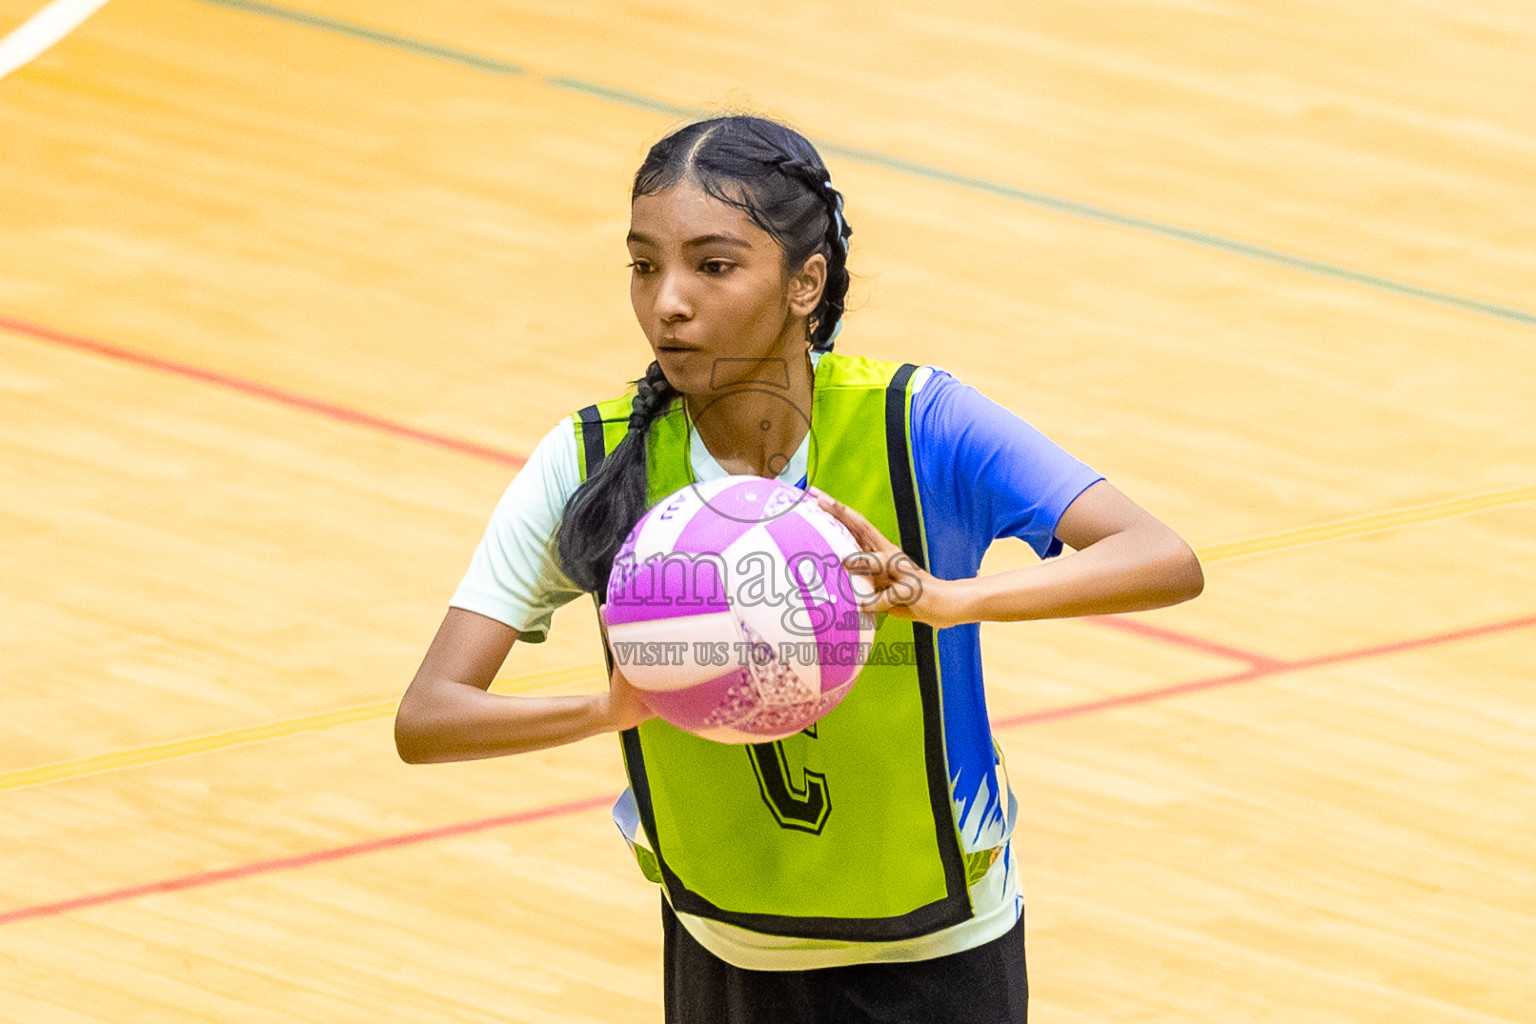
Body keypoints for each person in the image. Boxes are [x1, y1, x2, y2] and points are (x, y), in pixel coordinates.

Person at [395, 114, 1204, 1024]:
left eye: (713, 265)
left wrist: (950, 599)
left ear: (804, 283)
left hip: (936, 953)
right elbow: (429, 718)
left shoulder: (919, 422)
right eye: (643, 265)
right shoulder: (589, 458)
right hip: (721, 944)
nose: (668, 302)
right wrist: (606, 709)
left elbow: (1160, 556)